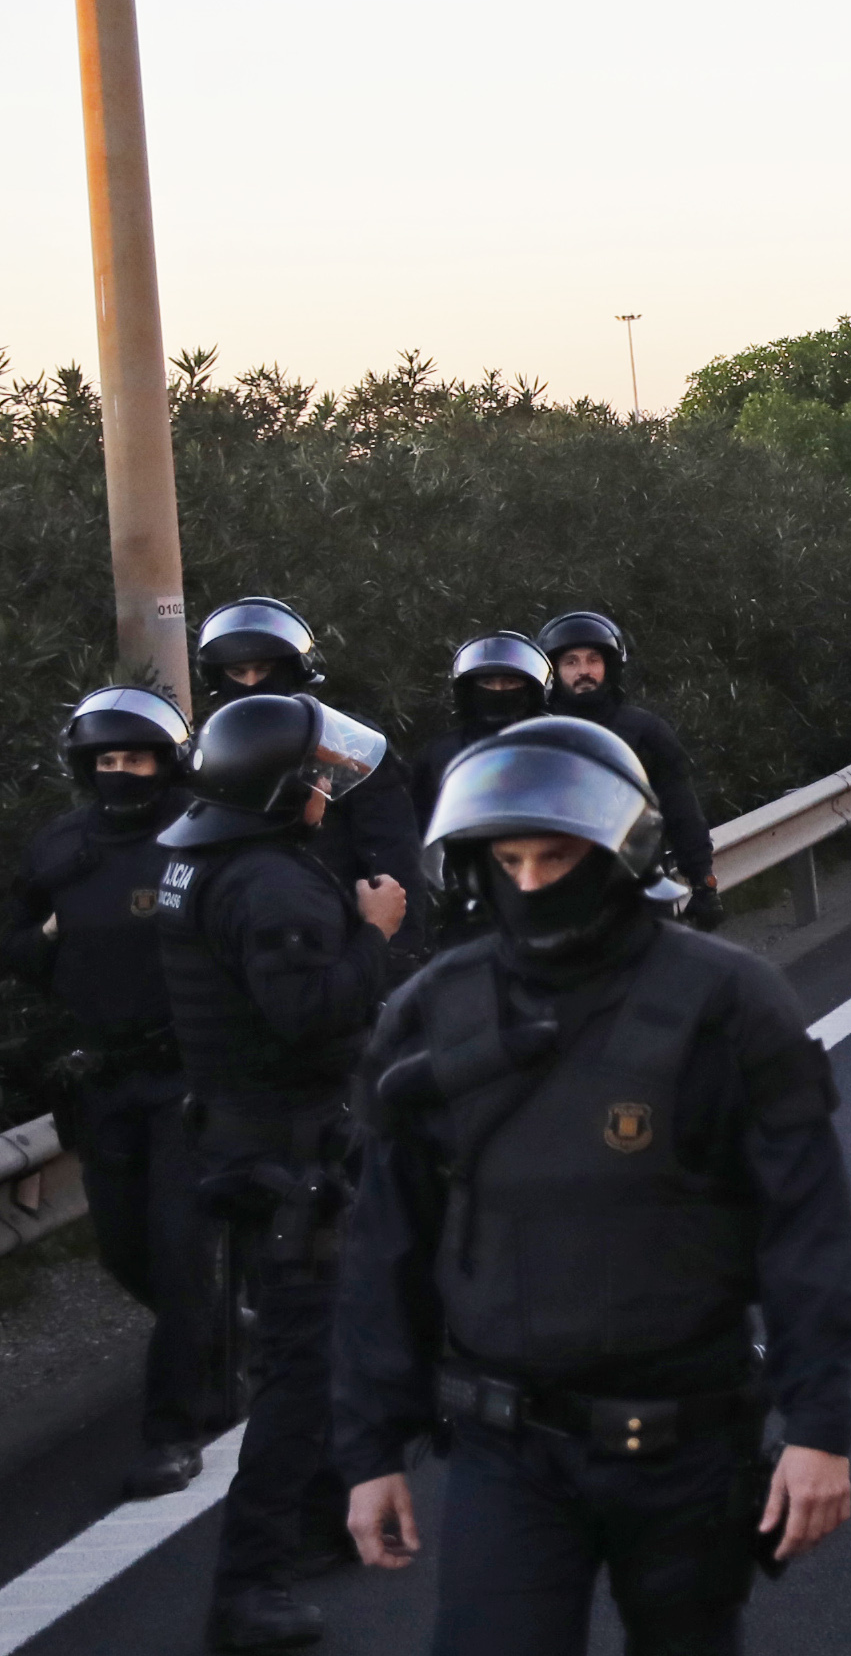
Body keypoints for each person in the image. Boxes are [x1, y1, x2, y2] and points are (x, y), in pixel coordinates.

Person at [337, 715, 851, 1656]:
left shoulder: (730, 1003)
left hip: (687, 1441)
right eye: (507, 860)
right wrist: (370, 1444)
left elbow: (806, 1229)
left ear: (616, 850)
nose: (530, 882)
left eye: (556, 857)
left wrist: (818, 1425)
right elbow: (385, 1247)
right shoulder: (432, 1015)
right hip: (505, 1450)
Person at [156, 692, 408, 1652]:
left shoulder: (195, 861)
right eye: (317, 775)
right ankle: (249, 1587)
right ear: (282, 787)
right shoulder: (271, 885)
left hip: (240, 1139)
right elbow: (311, 1014)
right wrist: (375, 932)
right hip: (286, 1154)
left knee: (322, 1345)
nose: (329, 788)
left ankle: (317, 1517)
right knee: (304, 1365)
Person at [8, 687, 219, 1499]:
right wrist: (45, 944)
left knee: (178, 1250)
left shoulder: (202, 836)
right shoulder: (62, 848)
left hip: (186, 1077)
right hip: (102, 1079)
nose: (122, 773)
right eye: (107, 761)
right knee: (125, 1251)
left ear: (167, 763)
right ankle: (219, 1336)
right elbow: (16, 938)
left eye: (136, 759)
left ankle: (175, 1429)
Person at [195, 594, 423, 897]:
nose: (250, 683)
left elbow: (392, 849)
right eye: (237, 672)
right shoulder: (210, 747)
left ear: (292, 669)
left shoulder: (347, 740)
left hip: (336, 915)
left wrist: (395, 940)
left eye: (263, 669)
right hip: (238, 912)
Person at [537, 612, 721, 926]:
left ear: (609, 665)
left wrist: (704, 882)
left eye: (593, 659)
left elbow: (681, 811)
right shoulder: (535, 738)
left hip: (639, 897)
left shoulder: (645, 731)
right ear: (553, 671)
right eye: (571, 662)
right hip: (556, 903)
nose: (584, 671)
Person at [412, 634, 554, 947]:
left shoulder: (557, 747)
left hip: (548, 895)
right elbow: (416, 833)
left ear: (532, 689)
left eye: (509, 683)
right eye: (489, 683)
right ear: (469, 689)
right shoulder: (439, 753)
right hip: (466, 903)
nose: (499, 692)